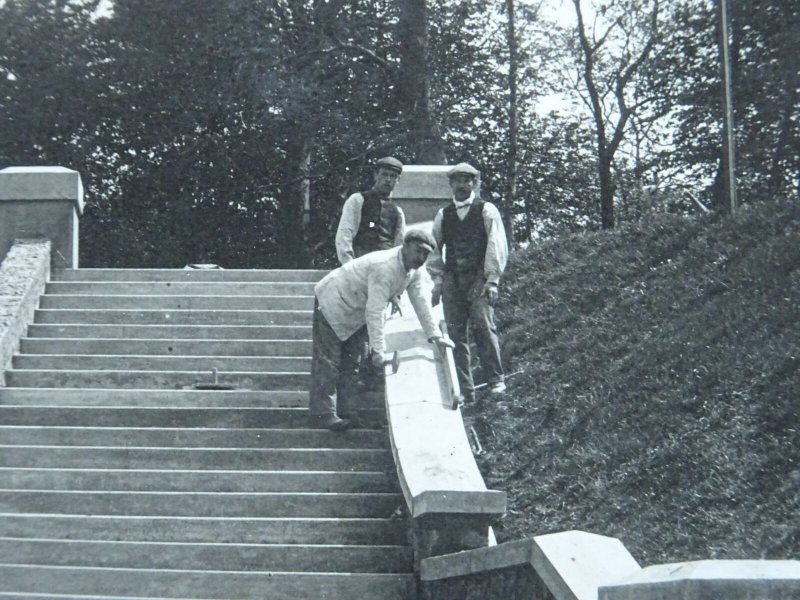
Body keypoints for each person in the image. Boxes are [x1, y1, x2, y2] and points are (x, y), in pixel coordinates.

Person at [310, 229, 454, 430]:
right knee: (329, 361)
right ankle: (323, 413)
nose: (421, 258)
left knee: (354, 362)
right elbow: (375, 310)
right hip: (334, 301)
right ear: (405, 246)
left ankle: (347, 412)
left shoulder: (414, 271)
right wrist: (379, 350)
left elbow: (420, 301)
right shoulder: (384, 267)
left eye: (426, 254)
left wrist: (435, 336)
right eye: (418, 251)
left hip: (357, 309)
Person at [427, 162, 508, 404]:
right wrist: (438, 280)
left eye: (467, 180)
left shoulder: (486, 210)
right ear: (451, 184)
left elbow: (496, 245)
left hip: (478, 278)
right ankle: (465, 389)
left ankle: (496, 380)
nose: (462, 185)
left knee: (484, 326)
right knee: (454, 334)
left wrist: (492, 280)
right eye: (457, 180)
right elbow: (433, 248)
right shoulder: (444, 214)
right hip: (453, 278)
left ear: (474, 183)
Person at [335, 156, 406, 264]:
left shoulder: (397, 212)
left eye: (393, 176)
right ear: (376, 175)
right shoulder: (358, 200)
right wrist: (349, 265)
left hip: (385, 268)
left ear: (398, 180)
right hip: (360, 266)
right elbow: (345, 234)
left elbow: (399, 245)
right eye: (384, 174)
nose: (388, 180)